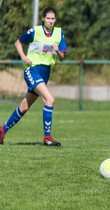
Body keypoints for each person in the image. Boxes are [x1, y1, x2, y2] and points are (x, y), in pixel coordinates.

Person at [0, 7, 67, 146]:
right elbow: (18, 42)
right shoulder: (35, 31)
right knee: (50, 100)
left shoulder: (59, 34)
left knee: (24, 107)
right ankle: (47, 138)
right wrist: (24, 57)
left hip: (45, 72)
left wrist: (58, 51)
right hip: (32, 70)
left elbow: (62, 58)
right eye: (48, 18)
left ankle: (2, 130)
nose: (50, 21)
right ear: (43, 18)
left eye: (53, 18)